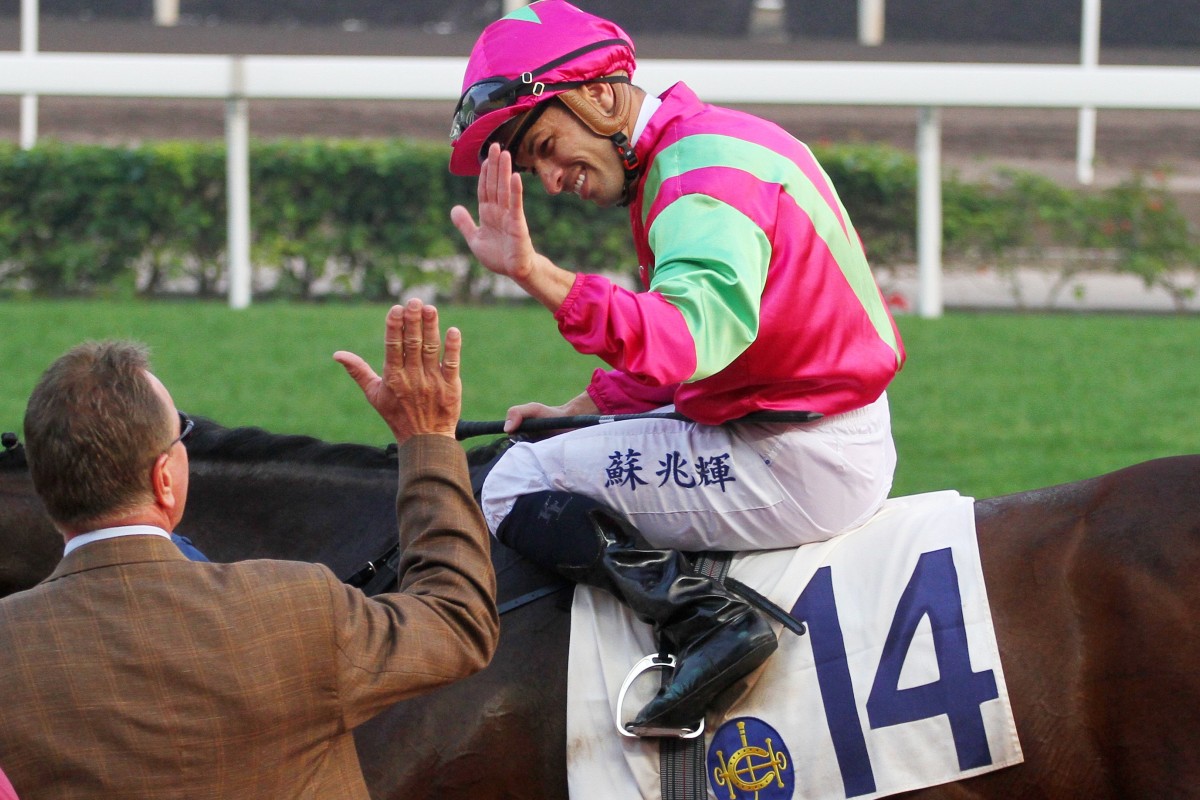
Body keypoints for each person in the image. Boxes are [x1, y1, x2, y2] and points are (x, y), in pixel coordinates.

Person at [448, 0, 905, 733]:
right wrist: (584, 408)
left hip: (797, 457)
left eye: (546, 144)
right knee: (549, 445)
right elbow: (706, 353)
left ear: (599, 93)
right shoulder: (698, 145)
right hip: (809, 421)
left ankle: (710, 623)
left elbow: (688, 341)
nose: (550, 175)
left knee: (513, 483)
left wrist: (538, 274)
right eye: (533, 163)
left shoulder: (698, 177)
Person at [0, 300, 498, 799]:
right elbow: (456, 620)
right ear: (163, 478)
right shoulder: (293, 606)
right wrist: (428, 439)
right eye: (182, 439)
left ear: (45, 485)